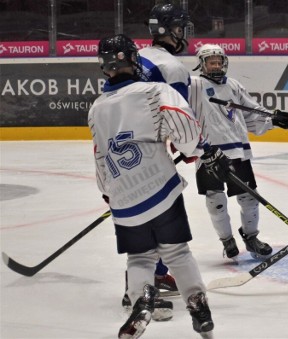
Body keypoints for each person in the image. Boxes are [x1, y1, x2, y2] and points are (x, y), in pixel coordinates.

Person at [89, 34, 229, 338]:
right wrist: (201, 150)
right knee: (177, 252)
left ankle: (141, 302)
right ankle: (197, 303)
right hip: (160, 189)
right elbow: (185, 131)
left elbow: (100, 156)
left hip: (123, 199)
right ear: (133, 59)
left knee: (139, 257)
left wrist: (109, 192)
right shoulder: (155, 90)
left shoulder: (97, 107)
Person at [188, 43, 288, 261]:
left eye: (219, 61)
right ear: (202, 64)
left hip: (238, 152)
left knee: (249, 199)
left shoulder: (234, 86)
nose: (216, 65)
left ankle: (251, 237)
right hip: (210, 154)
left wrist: (275, 119)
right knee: (216, 200)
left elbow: (253, 115)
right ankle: (227, 240)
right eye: (211, 62)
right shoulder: (194, 86)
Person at [121, 2, 194, 304]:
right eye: (179, 27)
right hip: (150, 152)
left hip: (122, 150)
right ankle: (142, 287)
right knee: (162, 215)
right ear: (166, 30)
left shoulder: (136, 57)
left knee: (147, 215)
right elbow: (181, 121)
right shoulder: (173, 68)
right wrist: (193, 149)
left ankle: (157, 274)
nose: (183, 34)